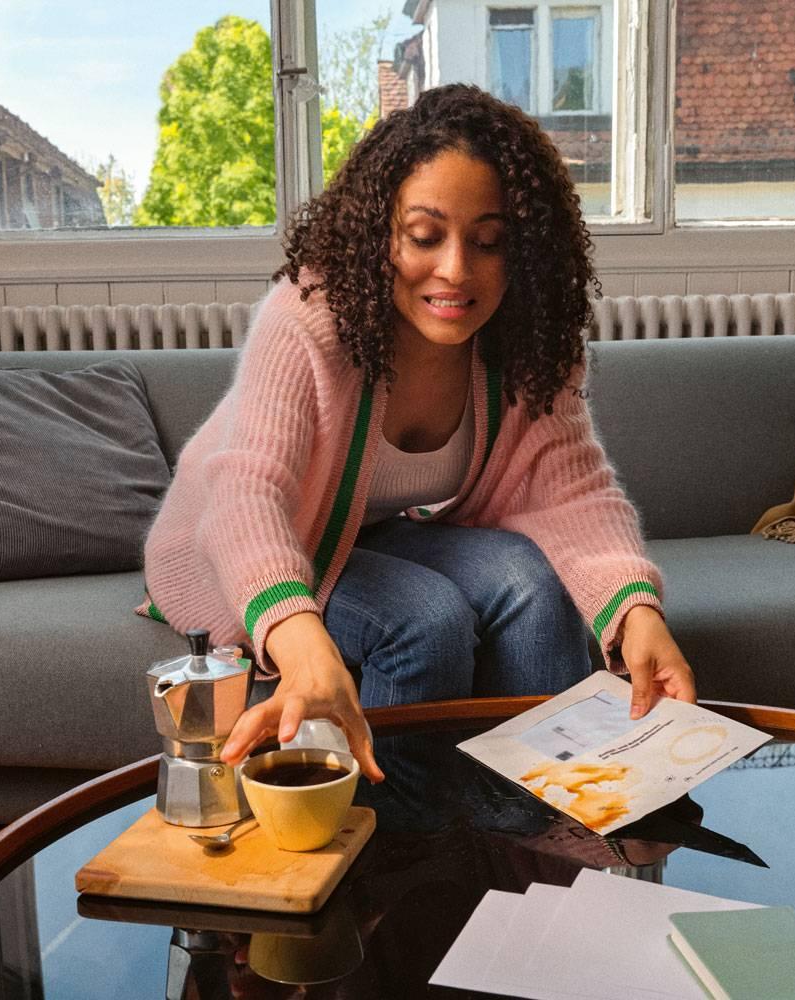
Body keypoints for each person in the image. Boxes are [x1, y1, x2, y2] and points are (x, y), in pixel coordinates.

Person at [139, 84, 696, 784]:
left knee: (533, 581)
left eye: (488, 242)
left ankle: (548, 825)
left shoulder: (524, 344)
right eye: (425, 236)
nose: (456, 270)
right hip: (239, 548)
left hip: (369, 535)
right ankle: (402, 853)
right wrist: (298, 634)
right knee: (424, 619)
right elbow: (245, 494)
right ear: (380, 234)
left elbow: (573, 488)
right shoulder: (309, 320)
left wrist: (635, 611)